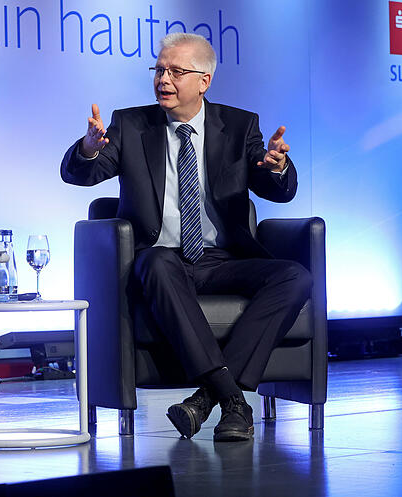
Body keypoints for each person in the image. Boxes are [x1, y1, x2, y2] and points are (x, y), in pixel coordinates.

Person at [60, 33, 311, 442]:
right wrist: (88, 148)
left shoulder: (239, 125)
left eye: (176, 71)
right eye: (159, 70)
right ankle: (233, 400)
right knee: (157, 261)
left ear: (204, 81)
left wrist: (276, 166)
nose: (164, 79)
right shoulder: (130, 124)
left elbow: (278, 190)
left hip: (222, 259)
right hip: (160, 259)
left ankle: (206, 399)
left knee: (295, 276)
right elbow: (81, 175)